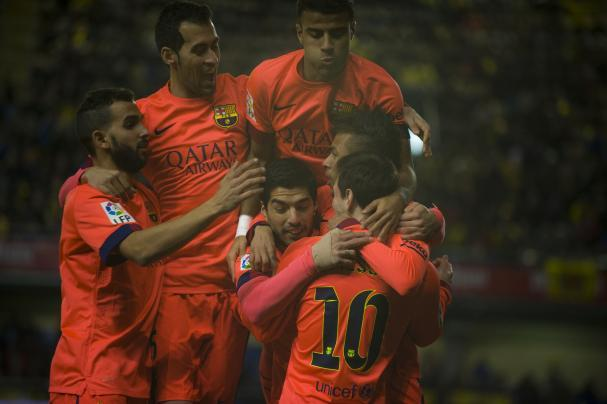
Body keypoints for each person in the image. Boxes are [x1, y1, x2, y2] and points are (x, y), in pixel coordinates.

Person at [57, 2, 254, 402]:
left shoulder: (243, 92)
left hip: (233, 286)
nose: (212, 58)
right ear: (169, 55)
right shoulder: (142, 120)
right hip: (174, 292)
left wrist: (256, 226)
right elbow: (82, 190)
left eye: (215, 46)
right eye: (199, 50)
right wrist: (82, 176)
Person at [239, 153, 443, 402]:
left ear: (323, 203)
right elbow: (427, 333)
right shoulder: (415, 261)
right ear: (264, 210)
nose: (293, 219)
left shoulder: (304, 250)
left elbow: (261, 321)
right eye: (281, 208)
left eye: (302, 207)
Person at [239, 0, 432, 257]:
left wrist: (400, 197)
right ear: (300, 33)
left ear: (352, 30)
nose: (327, 45)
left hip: (352, 209)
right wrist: (250, 225)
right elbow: (258, 160)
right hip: (290, 207)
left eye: (337, 33)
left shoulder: (381, 88)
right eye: (316, 34)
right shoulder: (266, 80)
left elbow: (404, 168)